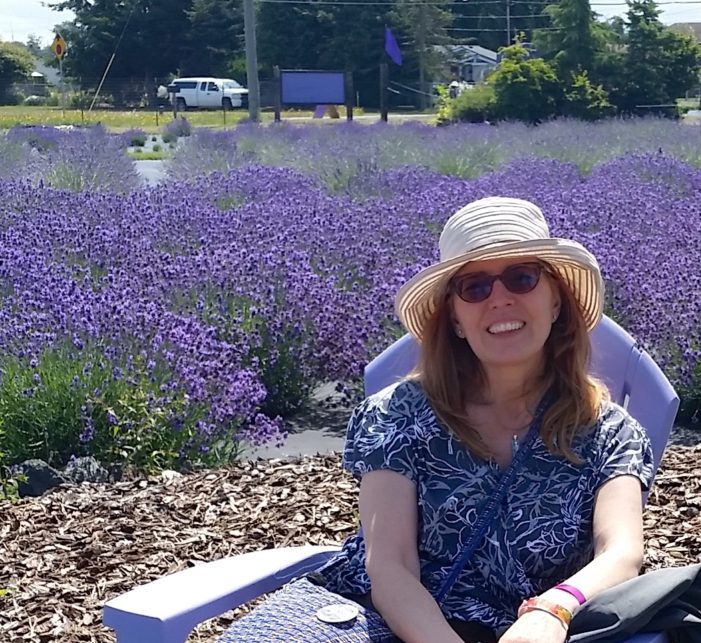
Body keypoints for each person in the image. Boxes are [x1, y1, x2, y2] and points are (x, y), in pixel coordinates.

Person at [220, 196, 656, 643]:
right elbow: (390, 565)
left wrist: (555, 607)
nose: (500, 300)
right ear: (456, 318)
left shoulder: (608, 433)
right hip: (376, 621)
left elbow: (621, 551)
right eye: (475, 287)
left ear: (556, 302)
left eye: (522, 278)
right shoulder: (396, 415)